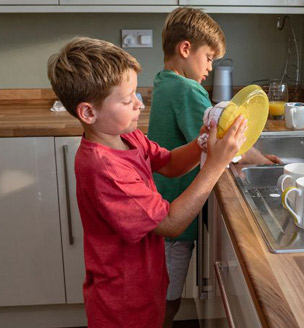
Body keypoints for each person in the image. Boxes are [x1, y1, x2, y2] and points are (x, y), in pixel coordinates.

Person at [47, 36, 247, 328]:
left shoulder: (126, 136)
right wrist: (215, 165)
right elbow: (171, 222)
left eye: (136, 94)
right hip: (123, 302)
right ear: (89, 112)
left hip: (146, 283)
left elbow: (168, 163)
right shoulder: (103, 168)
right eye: (127, 100)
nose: (139, 104)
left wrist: (202, 142)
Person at [148, 7, 281, 327]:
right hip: (176, 216)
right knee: (168, 299)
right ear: (185, 49)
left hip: (164, 202)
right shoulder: (187, 89)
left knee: (163, 293)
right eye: (208, 57)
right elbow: (221, 144)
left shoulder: (163, 81)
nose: (210, 67)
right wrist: (261, 160)